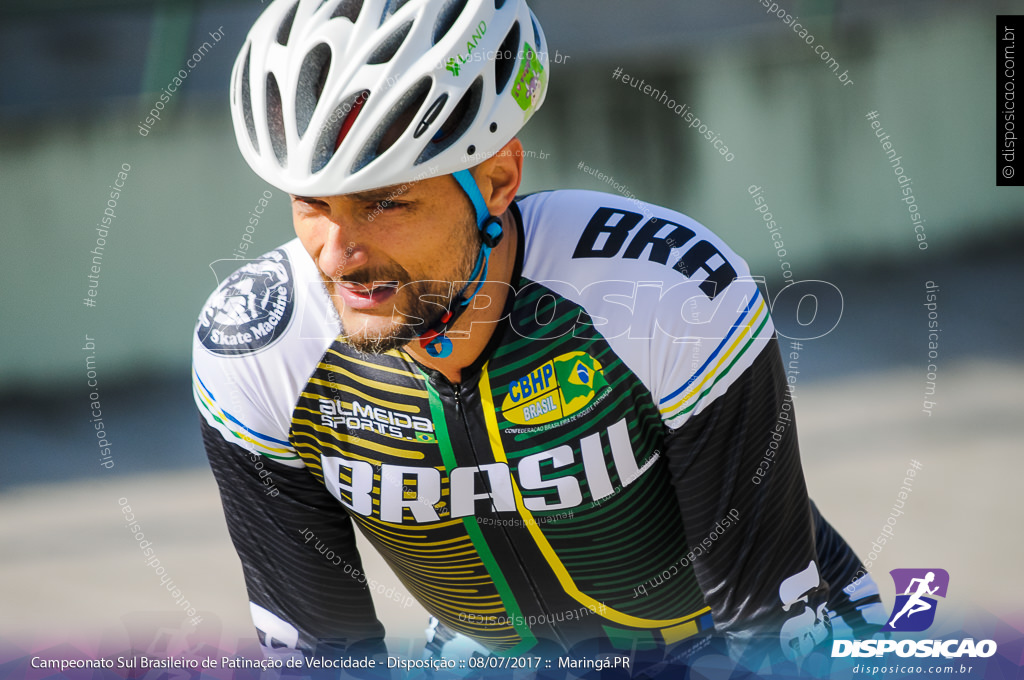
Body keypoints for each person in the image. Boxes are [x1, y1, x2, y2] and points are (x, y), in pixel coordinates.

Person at [193, 0, 885, 670]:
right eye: (312, 204)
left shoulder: (669, 293)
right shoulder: (256, 345)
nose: (336, 256)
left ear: (498, 181)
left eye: (386, 203)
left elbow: (769, 628)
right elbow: (321, 654)